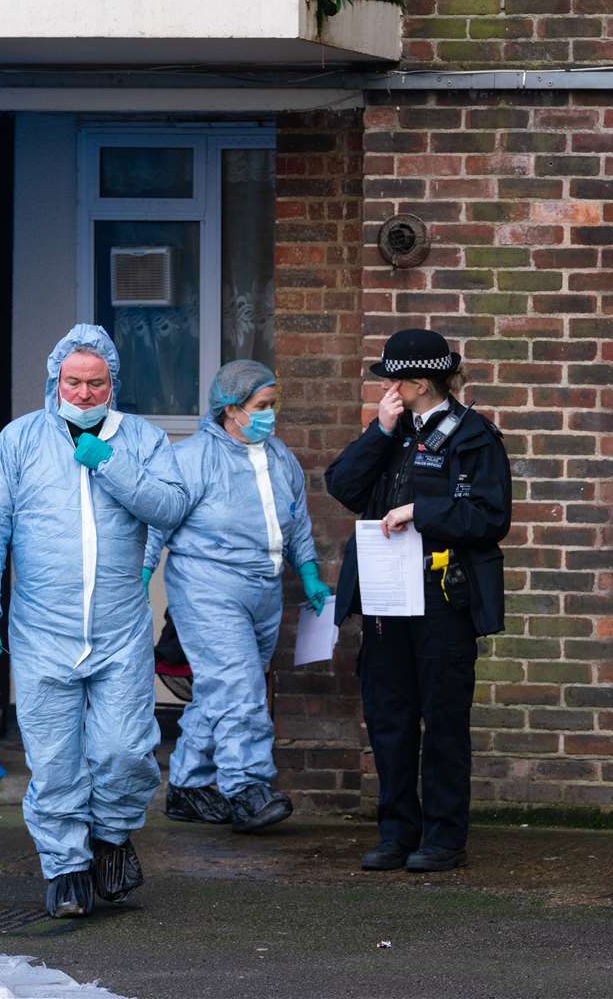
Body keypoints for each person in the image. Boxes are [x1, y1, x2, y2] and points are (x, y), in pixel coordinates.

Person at [0, 324, 189, 919]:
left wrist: (111, 464)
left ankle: (111, 839)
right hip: (42, 629)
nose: (85, 393)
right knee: (55, 756)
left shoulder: (139, 438)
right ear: (54, 379)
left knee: (123, 751)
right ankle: (65, 868)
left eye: (96, 382)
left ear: (113, 382)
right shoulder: (21, 441)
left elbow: (171, 506)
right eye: (74, 381)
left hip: (117, 628)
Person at [324, 329, 510, 874]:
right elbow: (343, 485)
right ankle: (397, 833)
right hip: (386, 600)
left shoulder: (474, 438)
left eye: (394, 381)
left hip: (442, 599)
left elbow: (490, 519)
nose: (388, 389)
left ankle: (444, 838)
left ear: (418, 382)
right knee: (389, 719)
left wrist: (419, 511)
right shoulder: (393, 432)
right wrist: (378, 433)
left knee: (445, 722)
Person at [141, 360, 331, 833]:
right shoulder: (192, 459)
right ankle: (246, 788)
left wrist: (308, 574)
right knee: (239, 687)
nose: (270, 415)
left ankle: (189, 786)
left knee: (220, 690)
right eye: (261, 407)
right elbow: (155, 524)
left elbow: (297, 523)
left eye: (273, 405)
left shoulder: (279, 457)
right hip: (207, 588)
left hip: (263, 589)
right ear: (230, 410)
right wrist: (137, 582)